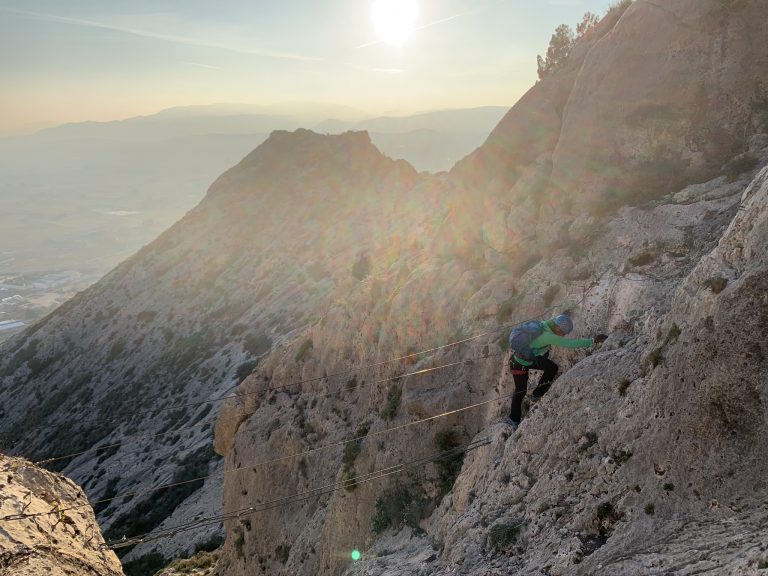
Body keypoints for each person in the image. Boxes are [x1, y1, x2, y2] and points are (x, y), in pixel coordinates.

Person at [507, 314, 607, 430]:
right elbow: (569, 344)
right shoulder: (549, 336)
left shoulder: (544, 325)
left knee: (551, 367)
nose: (564, 335)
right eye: (564, 332)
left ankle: (537, 394)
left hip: (529, 358)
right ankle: (513, 419)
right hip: (519, 364)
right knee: (520, 391)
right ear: (558, 328)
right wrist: (592, 340)